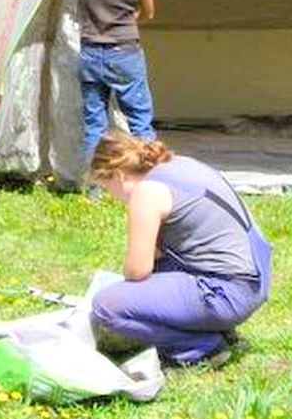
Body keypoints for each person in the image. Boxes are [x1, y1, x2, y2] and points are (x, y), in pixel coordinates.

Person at [87, 131, 273, 367]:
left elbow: (137, 270)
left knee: (107, 306)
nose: (111, 197)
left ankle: (199, 346)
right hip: (253, 283)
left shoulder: (148, 192)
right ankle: (219, 329)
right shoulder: (180, 165)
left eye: (106, 188)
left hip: (226, 293)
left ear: (119, 176)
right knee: (159, 270)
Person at [57, 0, 157, 170]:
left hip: (90, 53)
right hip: (125, 52)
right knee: (140, 120)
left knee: (94, 124)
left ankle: (95, 188)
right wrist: (133, 18)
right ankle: (147, 179)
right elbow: (149, 12)